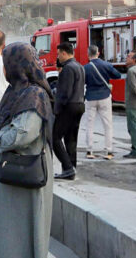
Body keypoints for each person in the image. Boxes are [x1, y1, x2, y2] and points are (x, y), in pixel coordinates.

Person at [0, 43, 54, 258]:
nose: (4, 69)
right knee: (4, 231)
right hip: (9, 172)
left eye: (6, 64)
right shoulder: (15, 91)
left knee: (19, 233)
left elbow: (23, 133)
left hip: (24, 175)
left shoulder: (34, 94)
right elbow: (5, 121)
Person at [52, 42, 86, 180]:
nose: (58, 57)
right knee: (71, 139)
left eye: (58, 54)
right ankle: (72, 168)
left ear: (64, 53)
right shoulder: (79, 66)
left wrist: (57, 110)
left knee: (55, 138)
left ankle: (67, 168)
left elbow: (65, 93)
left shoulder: (67, 68)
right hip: (79, 104)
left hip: (69, 106)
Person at [82, 44, 121, 160]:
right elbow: (117, 75)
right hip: (104, 97)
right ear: (98, 53)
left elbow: (83, 82)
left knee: (89, 125)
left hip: (90, 98)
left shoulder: (85, 68)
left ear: (88, 55)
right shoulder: (106, 65)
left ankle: (89, 151)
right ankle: (109, 151)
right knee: (107, 125)